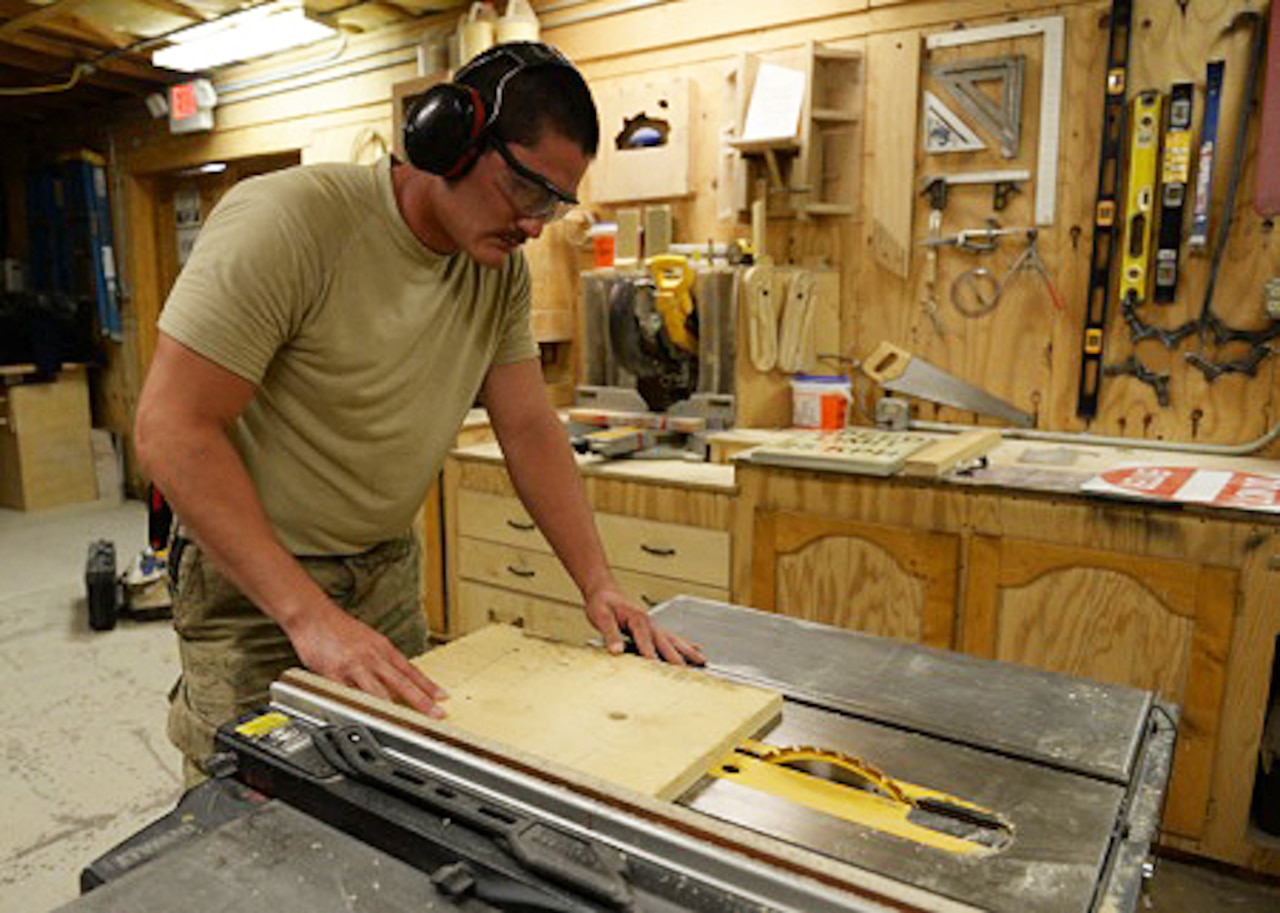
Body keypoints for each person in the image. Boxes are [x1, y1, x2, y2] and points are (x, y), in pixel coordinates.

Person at [134, 41, 705, 784]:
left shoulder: (495, 270)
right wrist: (309, 616)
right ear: (452, 141)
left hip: (384, 568)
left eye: (554, 207)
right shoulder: (290, 222)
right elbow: (171, 429)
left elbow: (529, 428)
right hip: (254, 581)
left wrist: (599, 584)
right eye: (529, 192)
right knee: (246, 806)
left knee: (390, 786)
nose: (536, 225)